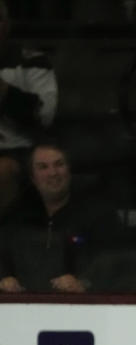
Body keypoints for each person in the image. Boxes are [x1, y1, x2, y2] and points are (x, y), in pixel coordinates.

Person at [0, 142, 117, 293]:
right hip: (23, 308)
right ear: (33, 178)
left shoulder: (99, 215)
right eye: (43, 167)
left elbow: (115, 263)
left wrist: (85, 282)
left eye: (59, 164)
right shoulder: (17, 217)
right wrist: (4, 278)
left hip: (83, 308)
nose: (53, 173)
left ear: (69, 171)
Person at [0, 1, 58, 220]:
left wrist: (4, 91)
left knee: (2, 171)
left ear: (5, 25)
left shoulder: (34, 62)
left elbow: (44, 117)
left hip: (19, 151)